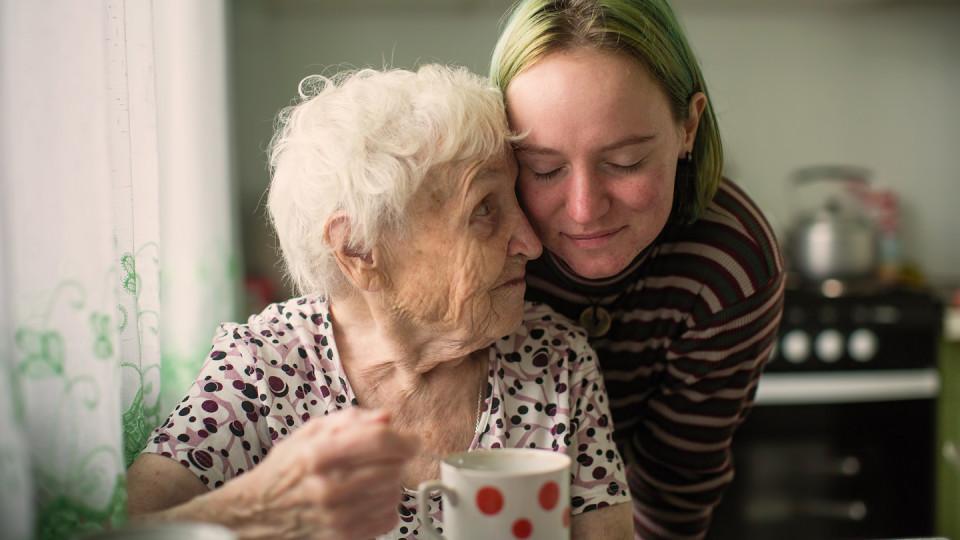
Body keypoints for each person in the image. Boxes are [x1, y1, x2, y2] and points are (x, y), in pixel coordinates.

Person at [126, 64, 634, 539]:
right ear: (359, 249)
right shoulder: (262, 365)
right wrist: (254, 509)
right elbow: (127, 529)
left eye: (515, 202)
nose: (531, 243)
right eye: (484, 210)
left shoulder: (555, 362)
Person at [490, 1, 786, 538]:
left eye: (624, 162)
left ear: (688, 126)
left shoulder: (727, 269)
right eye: (543, 168)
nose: (584, 210)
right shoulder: (476, 249)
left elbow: (674, 489)